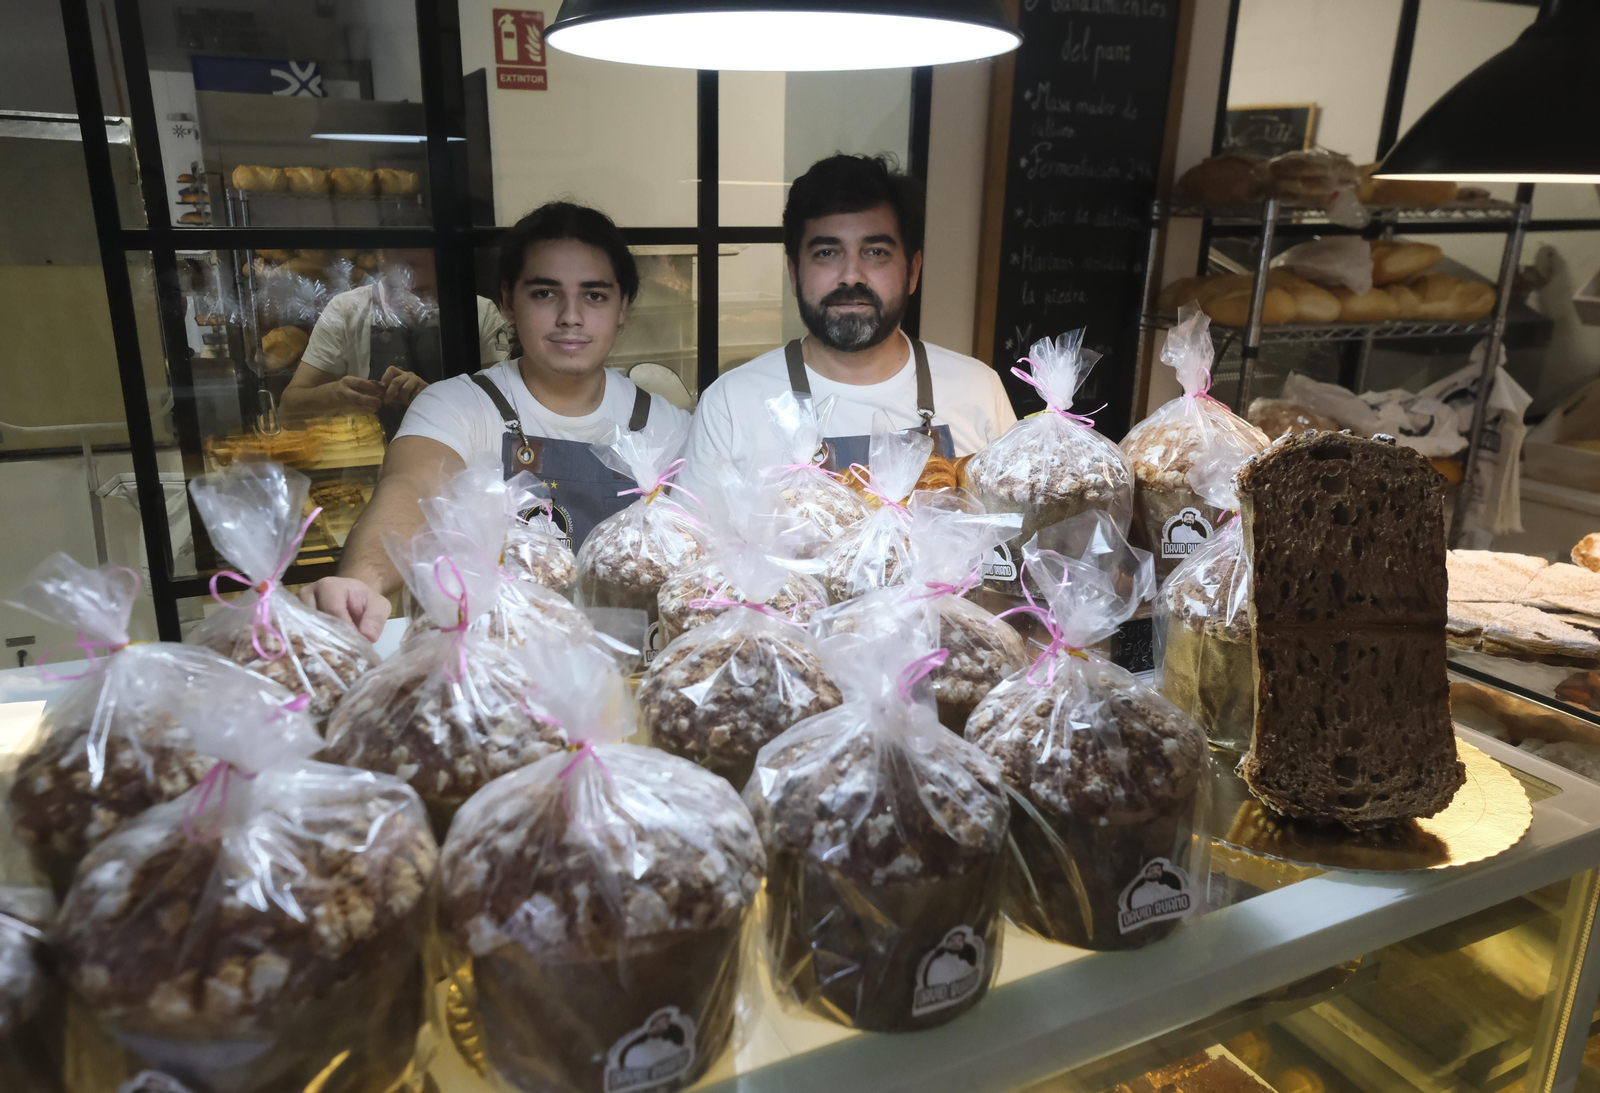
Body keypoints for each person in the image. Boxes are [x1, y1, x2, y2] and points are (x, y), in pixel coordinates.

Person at [298, 203, 688, 640]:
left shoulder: (664, 426)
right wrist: (361, 582)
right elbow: (411, 489)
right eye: (545, 293)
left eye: (594, 295)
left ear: (623, 307)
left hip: (634, 673)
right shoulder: (459, 406)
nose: (570, 316)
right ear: (508, 302)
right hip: (497, 677)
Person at [681, 154, 1016, 491]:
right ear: (794, 273)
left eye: (876, 252)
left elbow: (1021, 534)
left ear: (913, 271)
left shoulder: (978, 390)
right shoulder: (732, 405)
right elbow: (692, 541)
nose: (851, 276)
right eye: (827, 252)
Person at [278, 248, 515, 437]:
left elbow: (505, 408)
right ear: (380, 260)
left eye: (423, 291)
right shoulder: (347, 310)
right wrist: (335, 395)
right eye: (399, 286)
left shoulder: (478, 312)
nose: (412, 301)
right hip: (372, 458)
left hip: (461, 452)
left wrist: (432, 397)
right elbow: (288, 410)